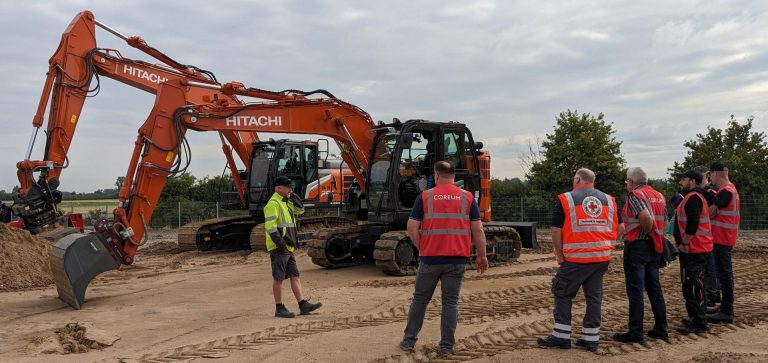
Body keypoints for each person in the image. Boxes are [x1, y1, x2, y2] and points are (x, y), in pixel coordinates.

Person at [400, 161, 488, 358]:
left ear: (436, 175)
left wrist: (421, 246)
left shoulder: (425, 196)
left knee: (420, 300)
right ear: (454, 176)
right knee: (450, 303)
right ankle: (447, 346)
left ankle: (408, 341)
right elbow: (478, 230)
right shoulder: (467, 198)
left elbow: (412, 227)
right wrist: (481, 256)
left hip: (430, 259)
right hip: (457, 260)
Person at [537, 168, 619, 352]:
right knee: (594, 296)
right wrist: (608, 245)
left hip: (575, 258)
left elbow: (556, 230)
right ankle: (591, 339)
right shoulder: (609, 200)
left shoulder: (566, 199)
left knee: (562, 292)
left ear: (577, 179)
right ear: (593, 181)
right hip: (601, 258)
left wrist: (559, 254)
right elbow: (619, 227)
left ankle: (561, 336)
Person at [613, 167, 669, 343]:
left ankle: (636, 332)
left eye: (626, 182)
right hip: (655, 246)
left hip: (638, 246)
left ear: (631, 182)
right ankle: (661, 329)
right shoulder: (659, 196)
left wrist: (649, 232)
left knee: (635, 290)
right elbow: (665, 221)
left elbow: (645, 218)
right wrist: (657, 235)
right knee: (654, 288)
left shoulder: (635, 196)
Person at [264, 175, 321, 318]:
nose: (290, 189)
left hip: (288, 247)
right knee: (279, 278)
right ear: (278, 188)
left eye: (291, 187)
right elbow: (270, 228)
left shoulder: (286, 202)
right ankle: (279, 308)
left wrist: (292, 195)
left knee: (295, 276)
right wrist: (281, 244)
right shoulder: (273, 204)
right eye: (288, 187)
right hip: (280, 248)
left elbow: (300, 209)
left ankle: (303, 305)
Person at [674, 170, 714, 334]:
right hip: (698, 247)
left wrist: (684, 242)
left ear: (693, 181)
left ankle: (699, 322)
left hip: (694, 249)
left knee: (692, 286)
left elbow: (693, 222)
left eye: (683, 179)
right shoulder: (697, 196)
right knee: (695, 284)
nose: (681, 183)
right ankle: (698, 316)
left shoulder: (693, 198)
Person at [706, 161, 740, 324]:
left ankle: (727, 310)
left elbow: (710, 212)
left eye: (710, 174)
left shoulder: (725, 191)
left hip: (722, 238)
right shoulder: (731, 189)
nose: (710, 178)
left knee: (724, 274)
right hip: (725, 237)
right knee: (724, 273)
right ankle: (724, 307)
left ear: (716, 173)